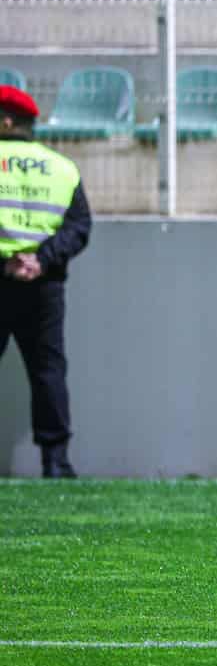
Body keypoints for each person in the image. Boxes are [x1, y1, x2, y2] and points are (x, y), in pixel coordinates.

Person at [0, 85, 92, 479]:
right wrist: (40, 260)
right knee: (48, 369)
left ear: (6, 120)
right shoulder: (61, 167)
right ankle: (56, 461)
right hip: (44, 285)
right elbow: (79, 227)